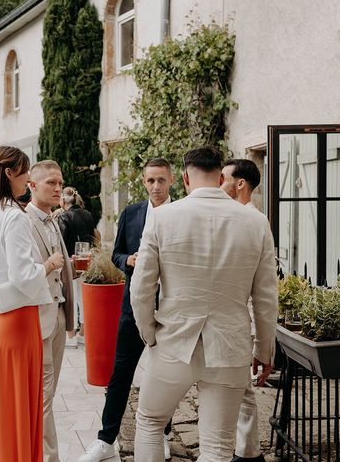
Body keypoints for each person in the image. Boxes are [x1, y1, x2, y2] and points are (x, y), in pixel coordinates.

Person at [130, 146, 278, 461]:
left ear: (184, 177)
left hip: (173, 342)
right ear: (222, 176)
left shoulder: (161, 218)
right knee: (218, 447)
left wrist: (149, 332)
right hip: (230, 346)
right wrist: (264, 350)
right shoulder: (256, 223)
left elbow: (141, 287)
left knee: (150, 422)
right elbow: (266, 296)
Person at [0, 146, 64, 462]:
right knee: (19, 408)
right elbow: (24, 277)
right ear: (10, 174)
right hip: (17, 320)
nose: (25, 180)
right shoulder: (13, 217)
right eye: (23, 172)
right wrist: (49, 265)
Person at [79, 158, 175, 462]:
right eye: (151, 181)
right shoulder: (132, 213)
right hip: (132, 309)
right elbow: (116, 253)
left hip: (171, 310)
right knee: (120, 375)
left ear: (172, 180)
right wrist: (127, 261)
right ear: (144, 182)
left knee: (166, 378)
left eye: (161, 180)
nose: (156, 187)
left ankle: (162, 434)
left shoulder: (181, 214)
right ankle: (105, 440)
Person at [26, 160, 75, 462]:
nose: (58, 188)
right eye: (50, 183)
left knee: (49, 395)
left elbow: (65, 269)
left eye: (60, 182)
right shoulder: (24, 221)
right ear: (32, 186)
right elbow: (25, 274)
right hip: (37, 318)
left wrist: (71, 317)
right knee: (42, 398)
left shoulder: (53, 219)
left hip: (56, 315)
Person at [222, 158, 267, 462]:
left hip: (242, 320)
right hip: (228, 320)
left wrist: (259, 338)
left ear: (240, 184)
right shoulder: (232, 217)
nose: (218, 183)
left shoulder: (252, 221)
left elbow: (261, 286)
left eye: (223, 177)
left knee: (243, 392)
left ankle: (248, 455)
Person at [56, 186, 96, 341]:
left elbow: (62, 242)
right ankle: (83, 333)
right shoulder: (88, 215)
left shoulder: (63, 217)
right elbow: (92, 238)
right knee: (82, 297)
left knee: (70, 297)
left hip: (70, 262)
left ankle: (71, 334)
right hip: (87, 260)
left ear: (63, 201)